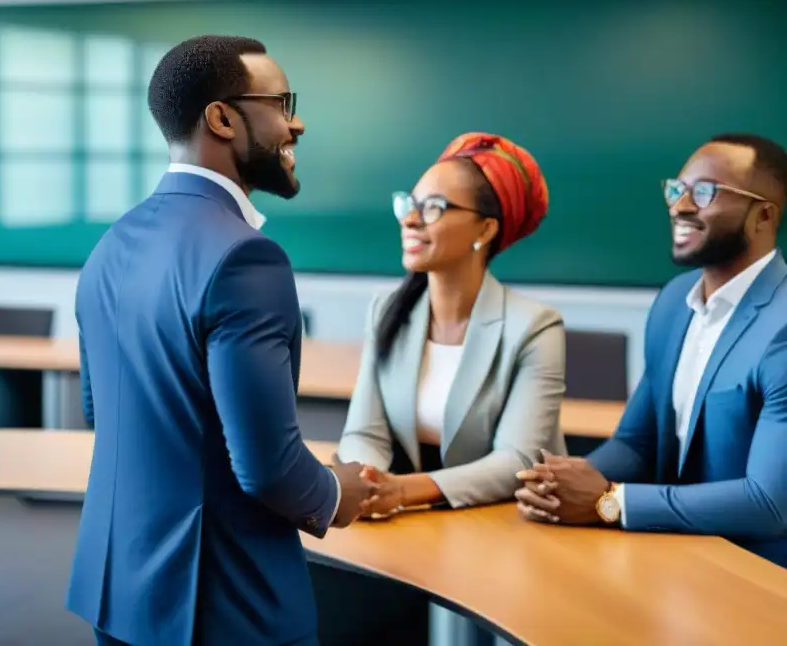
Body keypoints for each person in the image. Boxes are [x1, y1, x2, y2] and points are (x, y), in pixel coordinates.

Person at [66, 35, 375, 646]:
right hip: (222, 601)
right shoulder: (246, 258)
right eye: (282, 103)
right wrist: (340, 492)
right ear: (222, 118)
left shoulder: (112, 244)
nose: (298, 123)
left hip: (117, 585)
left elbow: (102, 410)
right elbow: (267, 467)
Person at [318, 132, 566, 645]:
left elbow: (517, 459)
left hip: (508, 529)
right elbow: (366, 429)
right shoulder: (388, 310)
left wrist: (400, 491)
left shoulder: (534, 326)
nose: (410, 218)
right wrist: (368, 480)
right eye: (408, 204)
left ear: (485, 229)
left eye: (433, 207)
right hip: (418, 529)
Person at [515, 133, 787, 568]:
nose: (679, 206)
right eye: (677, 190)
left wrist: (611, 502)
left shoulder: (782, 326)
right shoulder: (673, 302)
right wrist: (562, 484)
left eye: (705, 193)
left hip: (756, 576)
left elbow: (769, 503)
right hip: (671, 554)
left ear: (763, 216)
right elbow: (637, 442)